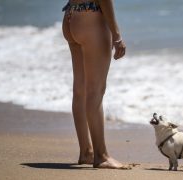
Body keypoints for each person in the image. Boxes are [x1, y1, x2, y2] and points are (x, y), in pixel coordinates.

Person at [62, 0, 127, 169]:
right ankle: (101, 156)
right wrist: (117, 35)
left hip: (71, 16)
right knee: (95, 91)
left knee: (80, 90)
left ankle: (86, 152)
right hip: (91, 20)